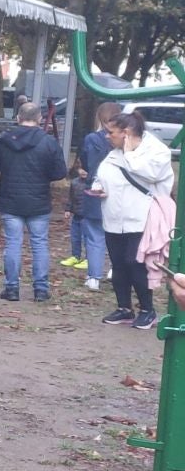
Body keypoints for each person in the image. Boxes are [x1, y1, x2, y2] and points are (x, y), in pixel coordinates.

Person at [92, 110, 172, 330]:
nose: (107, 136)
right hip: (114, 217)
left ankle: (148, 310)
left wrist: (129, 153)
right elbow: (104, 174)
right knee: (118, 264)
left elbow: (147, 173)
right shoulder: (114, 152)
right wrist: (98, 187)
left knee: (135, 263)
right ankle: (124, 308)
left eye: (111, 132)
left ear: (125, 133)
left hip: (141, 218)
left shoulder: (156, 152)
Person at [0, 99, 66, 301]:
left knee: (13, 244)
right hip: (39, 201)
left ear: (18, 118)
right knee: (40, 243)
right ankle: (41, 290)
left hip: (11, 200)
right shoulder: (49, 142)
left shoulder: (5, 140)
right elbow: (60, 172)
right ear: (40, 119)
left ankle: (11, 288)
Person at [66, 102, 120, 290]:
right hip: (119, 193)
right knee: (118, 235)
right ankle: (116, 269)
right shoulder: (124, 139)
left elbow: (87, 164)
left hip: (95, 191)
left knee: (94, 236)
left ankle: (94, 277)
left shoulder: (92, 139)